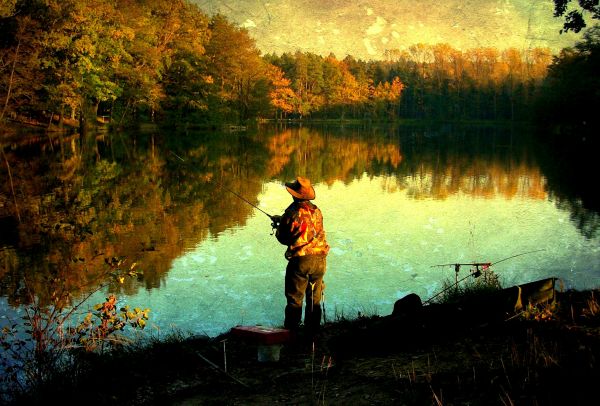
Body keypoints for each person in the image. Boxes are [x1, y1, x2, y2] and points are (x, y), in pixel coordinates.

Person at [271, 176, 330, 338]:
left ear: (294, 195)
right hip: (320, 259)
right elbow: (308, 229)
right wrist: (282, 220)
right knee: (314, 299)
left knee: (295, 299)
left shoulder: (292, 213)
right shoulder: (317, 211)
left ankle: (291, 334)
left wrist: (279, 225)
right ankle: (312, 334)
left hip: (301, 261)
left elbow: (283, 238)